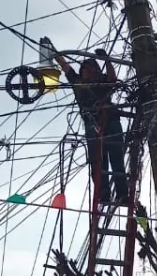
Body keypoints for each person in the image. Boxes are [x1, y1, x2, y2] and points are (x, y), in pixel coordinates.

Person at [54, 49, 129, 204]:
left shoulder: (102, 81)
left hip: (111, 120)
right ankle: (103, 192)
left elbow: (112, 79)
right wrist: (54, 53)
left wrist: (107, 60)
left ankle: (122, 194)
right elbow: (66, 67)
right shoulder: (78, 82)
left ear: (96, 70)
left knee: (117, 158)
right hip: (92, 123)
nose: (87, 72)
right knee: (97, 159)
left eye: (91, 68)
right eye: (85, 69)